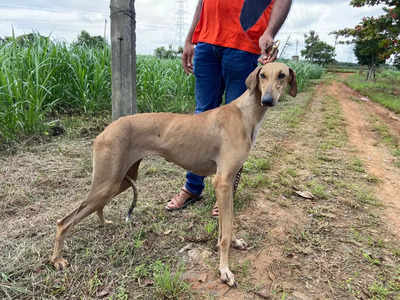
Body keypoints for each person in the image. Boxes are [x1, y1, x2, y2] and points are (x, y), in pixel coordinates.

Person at [166, 0, 292, 213]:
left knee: (239, 126)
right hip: (206, 43)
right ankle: (192, 187)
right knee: (201, 117)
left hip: (244, 45)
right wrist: (189, 39)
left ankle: (226, 191)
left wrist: (269, 32)